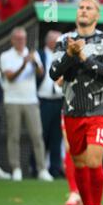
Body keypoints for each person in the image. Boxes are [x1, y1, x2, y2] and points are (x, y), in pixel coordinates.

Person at [49, 0, 103, 205]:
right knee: (78, 163)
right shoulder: (63, 40)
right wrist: (69, 53)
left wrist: (83, 57)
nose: (84, 11)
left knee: (94, 160)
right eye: (81, 7)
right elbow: (53, 72)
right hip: (71, 109)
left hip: (99, 109)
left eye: (89, 8)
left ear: (96, 15)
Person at [0, 27, 53, 182]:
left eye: (23, 39)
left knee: (37, 136)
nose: (21, 41)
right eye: (18, 39)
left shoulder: (32, 54)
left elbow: (40, 73)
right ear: (12, 40)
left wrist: (34, 62)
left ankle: (42, 169)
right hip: (13, 101)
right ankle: (16, 168)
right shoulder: (5, 56)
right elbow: (10, 77)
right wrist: (23, 64)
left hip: (31, 100)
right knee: (13, 136)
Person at [37, 30, 64, 178]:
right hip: (44, 100)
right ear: (48, 41)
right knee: (42, 135)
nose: (58, 43)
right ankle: (38, 167)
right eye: (55, 40)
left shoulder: (63, 56)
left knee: (57, 136)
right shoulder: (39, 54)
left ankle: (55, 168)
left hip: (59, 100)